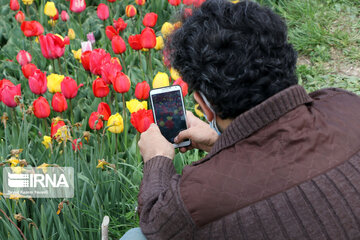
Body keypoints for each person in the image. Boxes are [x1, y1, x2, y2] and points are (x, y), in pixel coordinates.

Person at [130, 0, 360, 239]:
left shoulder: (195, 199)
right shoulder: (347, 105)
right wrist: (219, 141)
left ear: (204, 106)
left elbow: (156, 224)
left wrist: (158, 159)